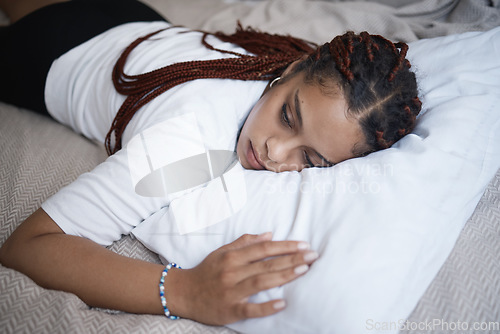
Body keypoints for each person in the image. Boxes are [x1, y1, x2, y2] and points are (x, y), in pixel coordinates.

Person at [0, 0, 421, 326]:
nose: (275, 151)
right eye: (288, 116)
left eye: (309, 159)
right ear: (291, 71)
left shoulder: (283, 75)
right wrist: (183, 291)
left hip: (135, 22)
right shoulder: (188, 143)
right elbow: (28, 245)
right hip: (55, 50)